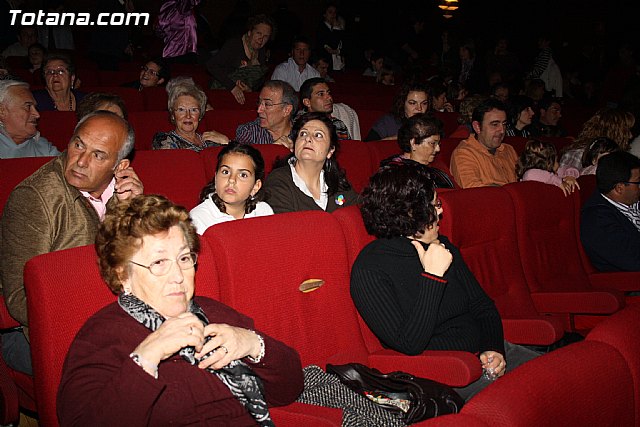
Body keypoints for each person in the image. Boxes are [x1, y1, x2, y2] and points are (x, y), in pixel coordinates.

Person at [57, 194, 304, 425]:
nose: (178, 276)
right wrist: (148, 355)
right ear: (123, 274)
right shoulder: (104, 335)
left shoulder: (215, 314)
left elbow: (289, 389)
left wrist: (253, 344)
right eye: (159, 262)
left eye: (184, 259)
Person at [350, 161, 539, 401]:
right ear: (410, 213)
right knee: (533, 399)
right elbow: (410, 343)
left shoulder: (443, 245)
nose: (440, 211)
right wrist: (432, 277)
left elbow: (483, 306)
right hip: (446, 374)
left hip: (486, 353)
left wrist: (494, 348)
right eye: (435, 204)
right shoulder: (371, 268)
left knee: (560, 379)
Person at [1, 111, 143, 375]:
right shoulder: (33, 200)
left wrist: (132, 211)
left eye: (98, 155)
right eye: (78, 145)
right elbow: (20, 299)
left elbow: (141, 267)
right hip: (40, 335)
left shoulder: (124, 193)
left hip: (114, 319)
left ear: (120, 166)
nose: (80, 161)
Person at [264, 112, 358, 213]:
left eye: (318, 135)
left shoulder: (338, 183)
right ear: (294, 145)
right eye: (303, 134)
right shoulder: (278, 180)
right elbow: (288, 226)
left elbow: (360, 218)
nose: (308, 138)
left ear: (330, 151)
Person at [190, 143, 273, 234]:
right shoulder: (198, 218)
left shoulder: (263, 211)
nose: (231, 180)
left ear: (255, 186)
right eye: (225, 172)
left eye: (243, 175)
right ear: (216, 177)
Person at [581, 151, 640, 272]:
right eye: (638, 183)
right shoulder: (597, 221)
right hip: (629, 284)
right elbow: (633, 260)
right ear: (619, 188)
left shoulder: (631, 201)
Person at [450, 98, 518, 188]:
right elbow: (473, 191)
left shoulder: (509, 150)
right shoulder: (463, 153)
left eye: (504, 124)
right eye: (495, 124)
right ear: (477, 127)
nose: (502, 130)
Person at [207, 14, 274, 104]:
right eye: (259, 33)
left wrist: (250, 89)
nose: (261, 39)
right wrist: (232, 87)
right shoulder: (234, 45)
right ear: (250, 32)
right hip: (222, 91)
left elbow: (260, 79)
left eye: (266, 36)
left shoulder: (261, 51)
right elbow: (211, 65)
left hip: (243, 95)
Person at [381, 113, 454, 188]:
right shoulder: (395, 175)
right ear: (413, 143)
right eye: (432, 143)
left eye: (438, 144)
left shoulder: (438, 166)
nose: (438, 149)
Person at [152, 82, 229, 151]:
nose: (188, 116)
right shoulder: (164, 140)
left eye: (193, 110)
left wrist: (227, 142)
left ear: (200, 115)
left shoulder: (211, 139)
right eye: (181, 109)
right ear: (173, 115)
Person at [559, 108, 634, 173]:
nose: (630, 136)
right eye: (627, 131)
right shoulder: (579, 154)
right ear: (614, 132)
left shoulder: (620, 156)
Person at [0, 80, 59, 158]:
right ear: (2, 111)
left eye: (35, 107)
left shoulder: (44, 148)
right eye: (28, 106)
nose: (37, 115)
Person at [235, 80, 297, 148]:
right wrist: (270, 149)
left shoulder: (302, 134)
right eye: (259, 102)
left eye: (267, 104)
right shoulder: (249, 132)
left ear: (286, 110)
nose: (259, 110)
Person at [365, 82, 430, 141]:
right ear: (403, 103)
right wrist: (395, 139)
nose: (419, 108)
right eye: (412, 103)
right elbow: (367, 147)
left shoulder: (431, 124)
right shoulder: (388, 122)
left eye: (424, 103)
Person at [316, 3, 346, 72]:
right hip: (327, 66)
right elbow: (333, 45)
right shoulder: (321, 29)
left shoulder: (339, 29)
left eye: (335, 12)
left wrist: (340, 52)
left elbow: (344, 46)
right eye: (330, 12)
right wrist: (336, 28)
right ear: (324, 14)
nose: (333, 15)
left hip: (339, 65)